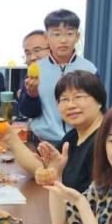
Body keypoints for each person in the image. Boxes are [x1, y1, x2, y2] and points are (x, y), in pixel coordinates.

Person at [0, 70, 106, 194]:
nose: (70, 105)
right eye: (64, 99)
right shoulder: (73, 136)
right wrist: (10, 137)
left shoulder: (105, 142)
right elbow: (44, 170)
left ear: (99, 101)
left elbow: (95, 200)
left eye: (78, 97)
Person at [18, 10, 97, 145]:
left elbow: (98, 109)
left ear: (77, 36)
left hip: (81, 141)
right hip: (44, 142)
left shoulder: (89, 69)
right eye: (56, 34)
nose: (63, 40)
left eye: (70, 34)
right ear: (46, 37)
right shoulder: (36, 70)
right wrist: (32, 94)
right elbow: (28, 112)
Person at [14, 29, 51, 99]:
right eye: (28, 53)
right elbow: (22, 105)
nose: (32, 58)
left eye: (37, 50)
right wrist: (29, 95)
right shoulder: (29, 79)